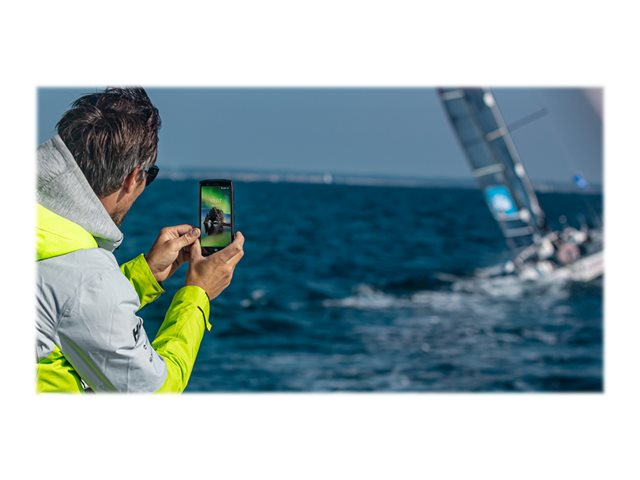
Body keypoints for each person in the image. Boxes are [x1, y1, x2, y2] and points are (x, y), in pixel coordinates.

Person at [36, 87, 244, 393]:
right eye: (150, 174)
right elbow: (153, 392)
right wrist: (197, 294)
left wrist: (145, 274)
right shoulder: (87, 278)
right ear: (133, 177)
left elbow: (65, 302)